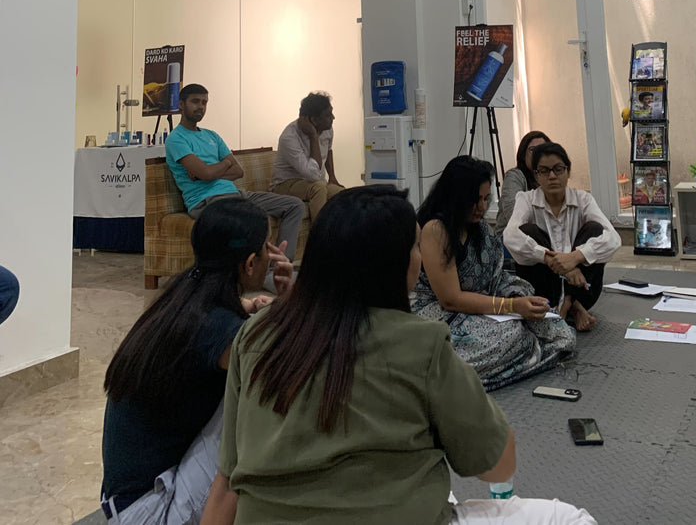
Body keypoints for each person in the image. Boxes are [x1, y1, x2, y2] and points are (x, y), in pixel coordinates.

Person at [199, 186, 598, 525]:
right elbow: (499, 465)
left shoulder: (255, 334)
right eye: (414, 245)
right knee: (572, 519)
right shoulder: (421, 342)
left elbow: (227, 479)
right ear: (395, 262)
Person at [101, 198, 293, 524]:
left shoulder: (184, 297)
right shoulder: (219, 331)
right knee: (257, 404)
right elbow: (284, 370)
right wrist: (289, 303)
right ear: (249, 264)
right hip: (151, 509)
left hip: (125, 498)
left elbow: (218, 331)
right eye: (266, 249)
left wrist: (250, 309)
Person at [412, 156, 575, 390]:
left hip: (483, 307)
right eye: (475, 199)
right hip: (443, 314)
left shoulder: (478, 229)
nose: (482, 207)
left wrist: (518, 297)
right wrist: (511, 307)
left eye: (486, 199)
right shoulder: (436, 230)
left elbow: (496, 276)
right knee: (507, 337)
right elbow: (450, 299)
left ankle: (517, 354)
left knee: (557, 330)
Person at [165, 84, 304, 261]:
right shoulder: (176, 138)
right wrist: (221, 164)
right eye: (195, 101)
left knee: (294, 205)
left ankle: (281, 262)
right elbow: (209, 173)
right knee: (256, 219)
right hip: (206, 201)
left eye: (204, 102)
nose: (200, 107)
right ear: (181, 104)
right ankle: (265, 273)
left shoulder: (212, 136)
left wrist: (206, 171)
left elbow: (238, 171)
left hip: (235, 194)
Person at [504, 143, 621, 333]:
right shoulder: (525, 199)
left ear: (568, 171)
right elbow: (509, 236)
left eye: (558, 169)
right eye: (544, 170)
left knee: (595, 229)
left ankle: (570, 301)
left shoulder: (583, 199)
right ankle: (574, 308)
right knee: (527, 231)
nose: (552, 176)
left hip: (585, 291)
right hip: (541, 291)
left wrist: (575, 257)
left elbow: (614, 239)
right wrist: (556, 262)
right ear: (536, 175)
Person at [270, 91, 343, 222]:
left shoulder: (328, 129)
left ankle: (341, 236)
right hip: (285, 184)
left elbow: (329, 150)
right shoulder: (289, 137)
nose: (333, 118)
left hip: (313, 182)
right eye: (328, 115)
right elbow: (313, 175)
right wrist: (313, 136)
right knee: (318, 188)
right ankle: (320, 237)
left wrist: (332, 177)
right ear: (313, 119)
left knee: (344, 195)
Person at [495, 130, 551, 235]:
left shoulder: (552, 177)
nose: (538, 154)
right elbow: (515, 215)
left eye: (543, 150)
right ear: (523, 155)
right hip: (510, 241)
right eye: (532, 150)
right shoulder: (514, 176)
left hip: (541, 241)